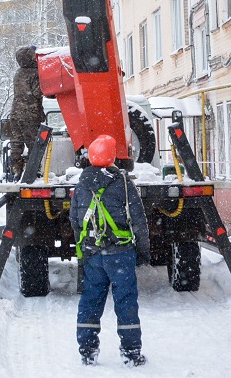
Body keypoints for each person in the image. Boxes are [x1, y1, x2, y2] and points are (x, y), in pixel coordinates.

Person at [72, 134, 150, 367]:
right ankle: (131, 352)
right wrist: (144, 251)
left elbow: (75, 220)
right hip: (121, 253)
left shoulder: (81, 185)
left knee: (90, 300)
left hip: (94, 254)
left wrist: (84, 252)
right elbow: (138, 220)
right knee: (125, 300)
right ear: (113, 156)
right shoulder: (124, 185)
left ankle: (87, 350)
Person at [5, 44, 43, 179]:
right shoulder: (35, 73)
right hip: (30, 114)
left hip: (15, 113)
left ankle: (16, 171)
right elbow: (37, 92)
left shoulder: (18, 73)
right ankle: (33, 172)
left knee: (16, 143)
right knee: (33, 144)